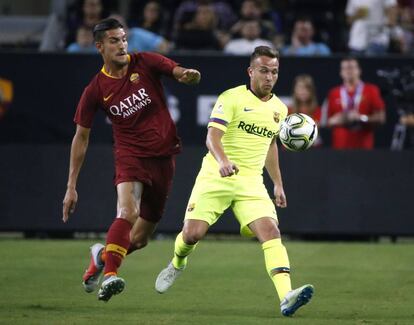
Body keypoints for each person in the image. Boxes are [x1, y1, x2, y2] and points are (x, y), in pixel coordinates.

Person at [155, 46, 314, 317]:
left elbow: (270, 145)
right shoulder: (231, 98)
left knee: (272, 232)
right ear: (251, 71)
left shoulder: (279, 108)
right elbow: (212, 137)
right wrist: (224, 161)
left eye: (274, 72)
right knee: (192, 234)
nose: (269, 77)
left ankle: (286, 296)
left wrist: (277, 183)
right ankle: (177, 263)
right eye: (264, 71)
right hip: (216, 175)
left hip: (251, 182)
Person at [62, 18, 201, 302]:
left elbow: (174, 69)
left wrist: (186, 74)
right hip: (130, 155)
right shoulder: (95, 90)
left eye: (124, 39)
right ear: (100, 46)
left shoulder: (145, 62)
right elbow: (81, 137)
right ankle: (110, 276)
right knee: (127, 212)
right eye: (114, 40)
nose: (122, 45)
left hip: (163, 157)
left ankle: (101, 255)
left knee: (139, 239)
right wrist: (71, 185)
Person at [325, 57, 386, 149]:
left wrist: (361, 118)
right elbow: (327, 122)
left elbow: (381, 118)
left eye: (352, 67)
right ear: (341, 72)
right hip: (339, 148)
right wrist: (339, 119)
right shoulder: (333, 93)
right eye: (345, 68)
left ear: (359, 70)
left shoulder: (371, 90)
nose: (349, 71)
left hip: (363, 147)